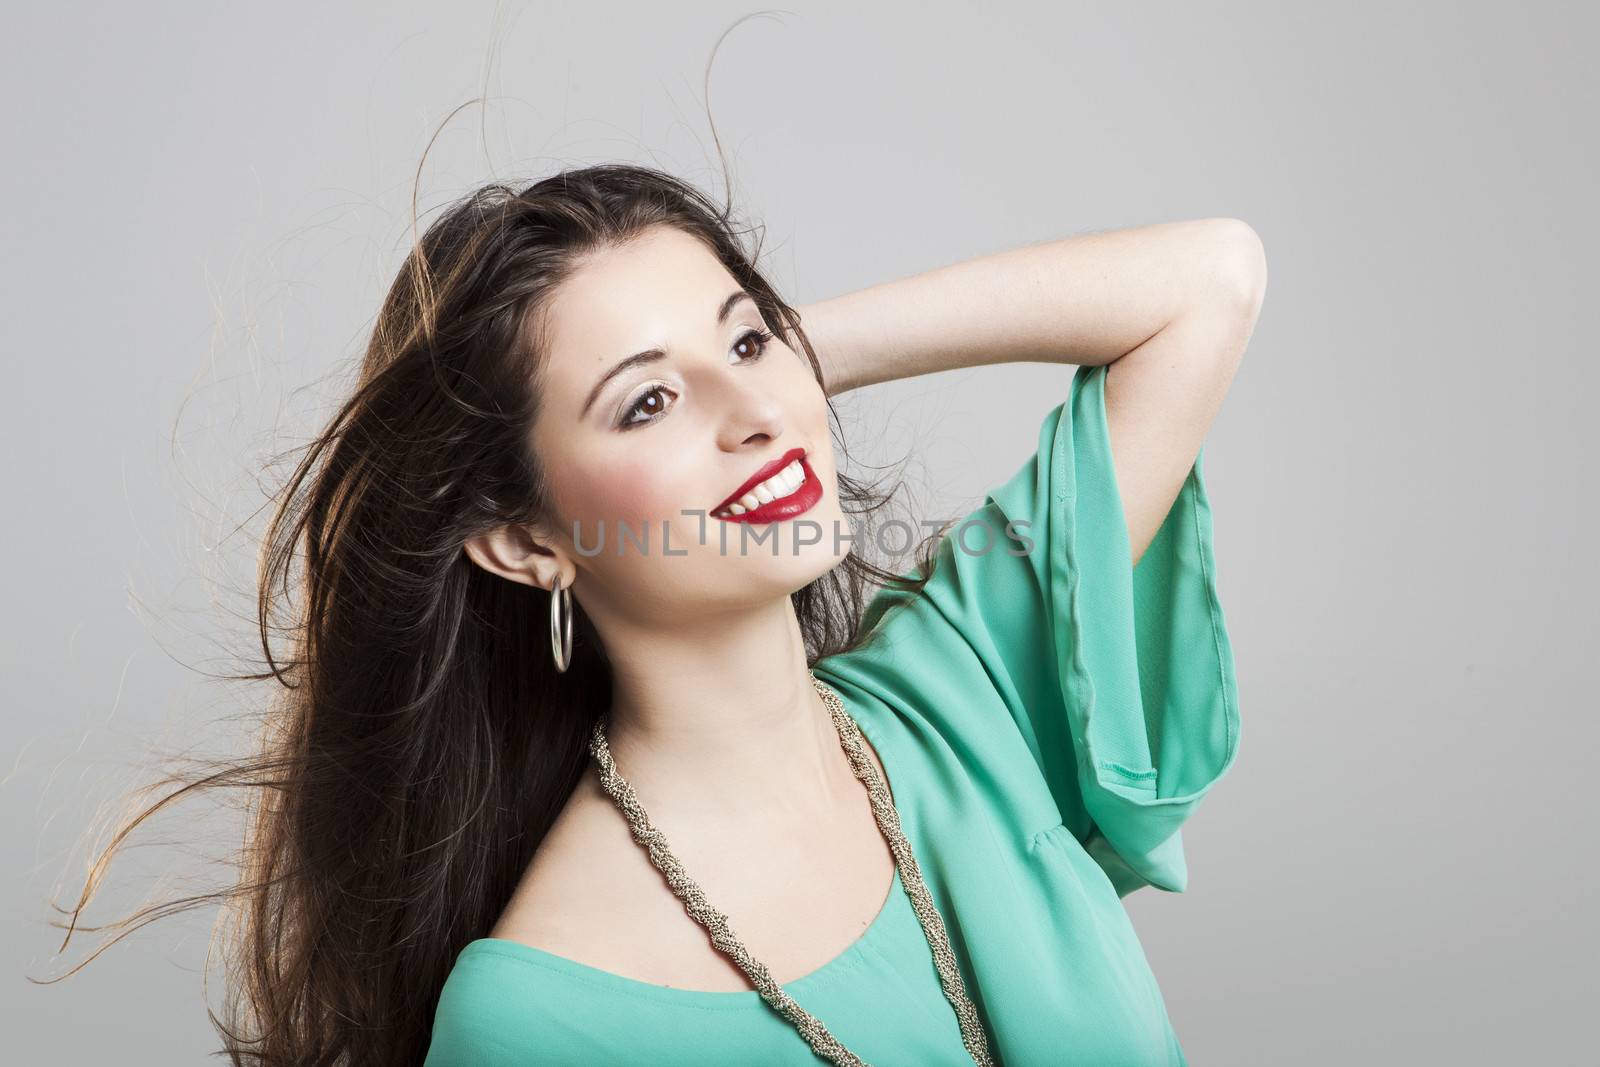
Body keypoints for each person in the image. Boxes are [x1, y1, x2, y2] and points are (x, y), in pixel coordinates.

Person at [54, 162, 1264, 1066]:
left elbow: (1207, 278)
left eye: (748, 333)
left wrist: (778, 360)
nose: (750, 410)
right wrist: (738, 363)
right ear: (527, 540)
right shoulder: (539, 1013)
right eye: (644, 406)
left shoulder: (963, 685)